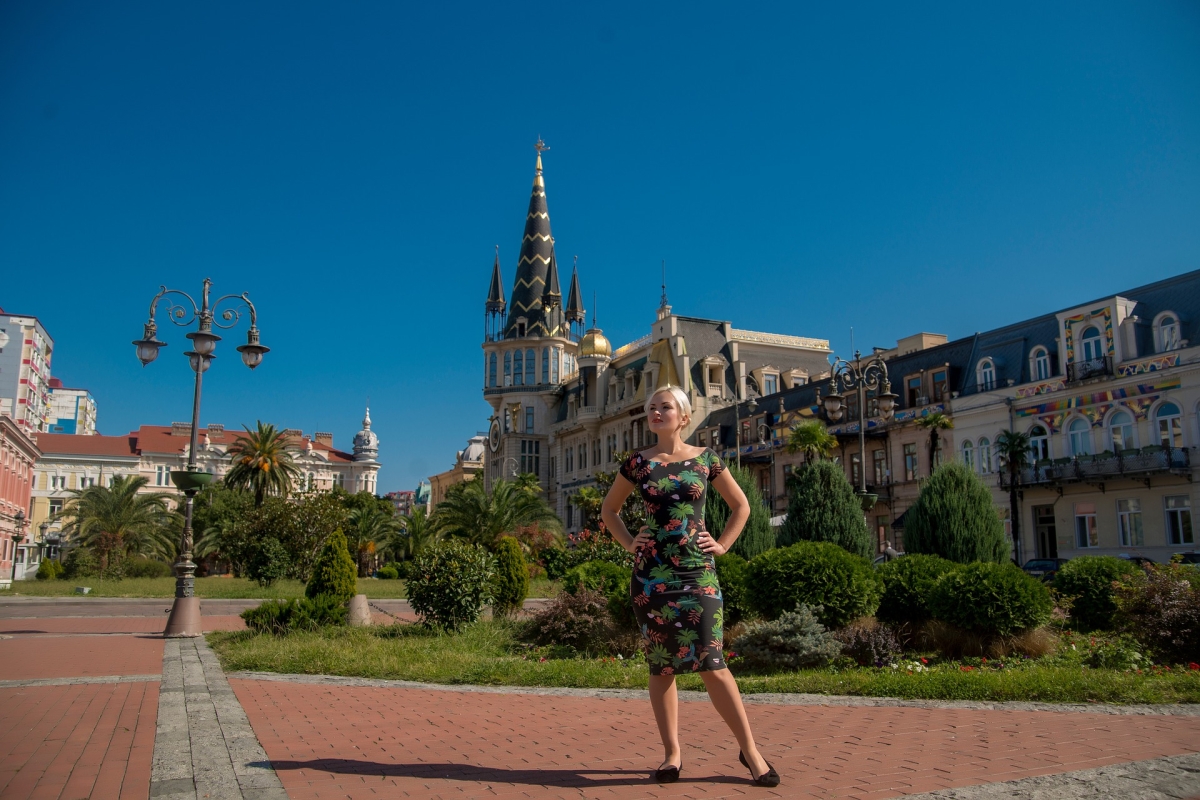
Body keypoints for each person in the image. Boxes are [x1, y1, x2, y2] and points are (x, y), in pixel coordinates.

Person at [601, 385, 781, 786]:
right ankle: (672, 754)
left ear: (683, 416)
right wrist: (631, 543)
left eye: (665, 406)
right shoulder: (636, 464)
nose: (656, 412)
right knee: (662, 665)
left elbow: (742, 506)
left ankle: (750, 751)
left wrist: (722, 544)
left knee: (713, 663)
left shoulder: (706, 459)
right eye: (651, 407)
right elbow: (608, 510)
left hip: (697, 572)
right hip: (652, 577)